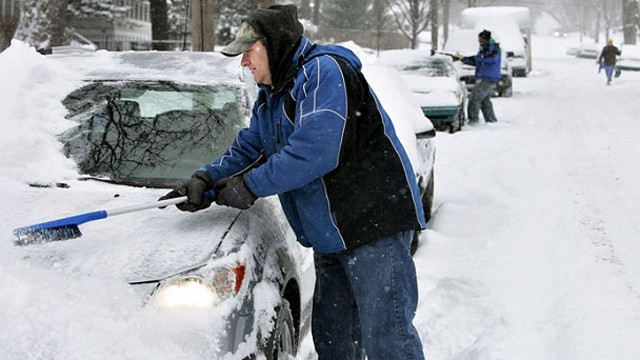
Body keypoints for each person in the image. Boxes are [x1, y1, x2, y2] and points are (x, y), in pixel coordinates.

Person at [160, 5, 426, 360]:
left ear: (275, 45)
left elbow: (315, 150)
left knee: (387, 340)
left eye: (249, 52)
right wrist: (206, 179)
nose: (243, 63)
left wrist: (250, 186)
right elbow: (252, 146)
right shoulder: (274, 93)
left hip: (371, 226)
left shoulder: (323, 72)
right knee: (334, 341)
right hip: (330, 236)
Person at [453, 29, 501, 124]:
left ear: (485, 38)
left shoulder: (494, 48)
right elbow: (477, 61)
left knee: (475, 98)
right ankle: (491, 120)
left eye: (480, 39)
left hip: (489, 78)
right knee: (484, 101)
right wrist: (463, 59)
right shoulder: (484, 48)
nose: (479, 41)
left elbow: (491, 59)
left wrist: (477, 58)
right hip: (483, 77)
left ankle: (473, 120)